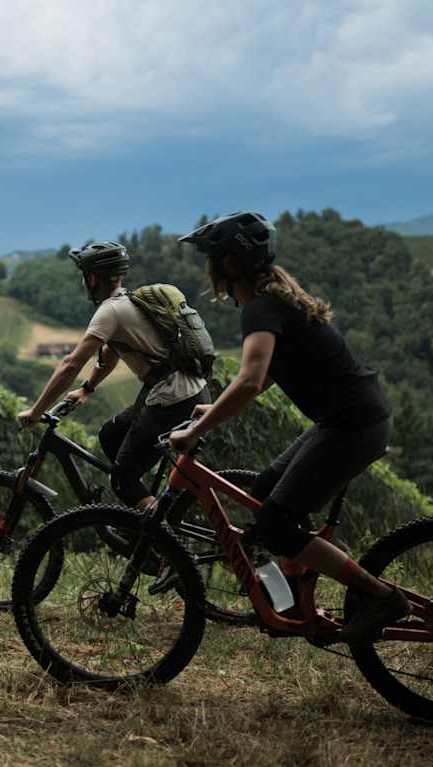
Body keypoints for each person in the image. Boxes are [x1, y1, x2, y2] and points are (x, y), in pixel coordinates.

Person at [169, 211, 408, 643]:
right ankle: (295, 604)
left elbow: (251, 378)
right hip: (348, 419)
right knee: (263, 502)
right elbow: (277, 371)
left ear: (228, 264)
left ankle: (381, 598)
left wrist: (194, 433)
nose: (208, 271)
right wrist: (213, 411)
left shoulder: (260, 307)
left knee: (278, 527)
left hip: (352, 425)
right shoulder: (274, 299)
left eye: (210, 261)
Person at [17, 241, 210, 515]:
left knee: (122, 479)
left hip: (172, 399)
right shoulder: (129, 303)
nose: (83, 283)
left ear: (92, 278)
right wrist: (87, 388)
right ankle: (144, 508)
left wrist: (37, 411)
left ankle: (159, 543)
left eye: (83, 276)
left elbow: (71, 364)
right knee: (110, 435)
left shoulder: (110, 310)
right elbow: (112, 351)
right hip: (188, 392)